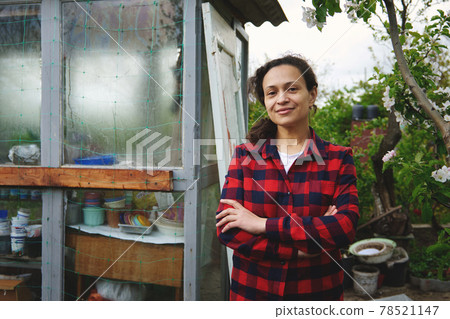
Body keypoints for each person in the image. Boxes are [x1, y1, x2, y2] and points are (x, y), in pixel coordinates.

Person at [215, 54, 359, 301]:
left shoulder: (338, 159)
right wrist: (300, 251)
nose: (282, 99)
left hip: (317, 294)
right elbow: (228, 230)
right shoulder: (245, 157)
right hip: (253, 294)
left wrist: (261, 225)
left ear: (312, 94)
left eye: (292, 89)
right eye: (271, 93)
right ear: (265, 102)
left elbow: (344, 229)